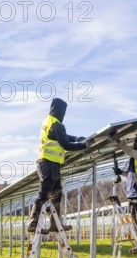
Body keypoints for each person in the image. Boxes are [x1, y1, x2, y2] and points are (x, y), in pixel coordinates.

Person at [28, 97, 92, 234]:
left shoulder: (48, 121)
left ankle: (55, 224)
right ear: (60, 111)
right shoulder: (57, 124)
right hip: (48, 165)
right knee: (43, 195)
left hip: (49, 164)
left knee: (56, 195)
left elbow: (63, 136)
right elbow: (66, 144)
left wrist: (76, 138)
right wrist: (84, 145)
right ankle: (33, 223)